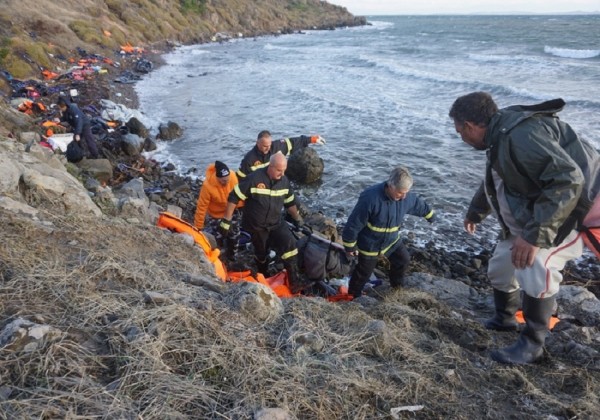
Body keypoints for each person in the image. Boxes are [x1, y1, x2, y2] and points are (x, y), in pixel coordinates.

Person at [449, 92, 599, 365]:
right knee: (500, 266)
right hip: (543, 211)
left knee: (538, 262)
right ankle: (505, 319)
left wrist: (533, 237)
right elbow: (496, 178)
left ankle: (533, 344)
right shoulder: (499, 134)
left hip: (581, 211)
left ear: (470, 126)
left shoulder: (518, 136)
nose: (461, 137)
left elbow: (568, 180)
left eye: (460, 132)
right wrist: (476, 211)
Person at [220, 152, 311, 293]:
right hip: (256, 225)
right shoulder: (254, 179)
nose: (282, 173)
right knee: (261, 253)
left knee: (290, 244)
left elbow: (290, 202)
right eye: (279, 170)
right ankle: (264, 275)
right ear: (270, 166)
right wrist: (226, 220)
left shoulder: (284, 182)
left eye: (284, 170)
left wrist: (298, 219)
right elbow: (233, 197)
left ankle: (294, 280)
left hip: (275, 222)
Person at [342, 166, 436, 298]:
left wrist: (430, 215)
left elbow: (418, 205)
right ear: (390, 186)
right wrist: (349, 245)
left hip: (392, 240)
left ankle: (396, 288)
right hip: (370, 244)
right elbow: (354, 223)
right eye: (400, 193)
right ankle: (353, 296)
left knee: (403, 260)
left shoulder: (406, 197)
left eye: (406, 193)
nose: (403, 197)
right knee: (363, 272)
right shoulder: (370, 198)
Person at [236, 130, 326, 178]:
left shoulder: (276, 147)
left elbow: (294, 142)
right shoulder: (249, 159)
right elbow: (241, 179)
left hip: (277, 180)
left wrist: (313, 139)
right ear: (257, 143)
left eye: (269, 145)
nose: (268, 148)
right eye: (264, 146)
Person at [193, 161, 242, 230]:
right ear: (217, 178)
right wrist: (198, 227)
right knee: (219, 235)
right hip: (216, 215)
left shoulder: (233, 176)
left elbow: (239, 193)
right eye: (224, 181)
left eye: (228, 179)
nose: (227, 182)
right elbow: (202, 206)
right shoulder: (207, 186)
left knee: (234, 233)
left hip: (232, 211)